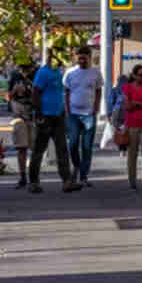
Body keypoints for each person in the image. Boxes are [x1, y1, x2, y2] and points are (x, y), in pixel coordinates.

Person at [28, 52, 80, 193]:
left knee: (62, 149)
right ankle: (33, 182)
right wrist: (38, 113)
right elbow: (35, 92)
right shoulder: (43, 72)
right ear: (53, 57)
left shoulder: (58, 72)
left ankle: (66, 181)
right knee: (39, 149)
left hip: (58, 116)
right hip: (45, 116)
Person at [63, 46, 103, 188]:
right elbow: (66, 92)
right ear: (75, 58)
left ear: (89, 57)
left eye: (84, 57)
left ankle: (83, 176)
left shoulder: (96, 73)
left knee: (87, 147)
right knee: (72, 144)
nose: (81, 60)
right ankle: (77, 166)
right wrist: (67, 110)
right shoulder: (70, 73)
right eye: (79, 57)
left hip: (89, 115)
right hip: (73, 114)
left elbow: (98, 91)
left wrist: (96, 108)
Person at [8, 61, 37, 188]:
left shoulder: (36, 75)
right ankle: (23, 176)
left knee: (35, 148)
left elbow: (40, 94)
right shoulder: (14, 76)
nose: (24, 72)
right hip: (18, 116)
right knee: (21, 148)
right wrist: (14, 92)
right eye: (22, 69)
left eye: (26, 68)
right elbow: (7, 96)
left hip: (33, 116)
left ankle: (34, 177)